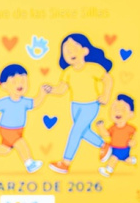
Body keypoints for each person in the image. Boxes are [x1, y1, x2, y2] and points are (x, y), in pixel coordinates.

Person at [48, 33, 113, 174]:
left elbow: (107, 79)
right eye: (66, 51)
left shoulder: (93, 68)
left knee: (76, 131)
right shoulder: (67, 72)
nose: (69, 52)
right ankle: (104, 145)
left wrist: (106, 95)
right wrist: (50, 89)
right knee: (83, 131)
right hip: (75, 106)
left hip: (90, 105)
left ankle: (65, 162)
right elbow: (61, 89)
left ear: (85, 50)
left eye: (73, 48)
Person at [0, 64, 52, 174]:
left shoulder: (24, 102)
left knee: (6, 149)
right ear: (4, 86)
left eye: (23, 81)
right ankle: (29, 163)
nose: (20, 84)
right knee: (20, 144)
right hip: (7, 129)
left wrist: (42, 93)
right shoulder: (5, 102)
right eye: (14, 82)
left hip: (19, 129)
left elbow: (35, 103)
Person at [97, 94, 138, 177]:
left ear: (131, 114)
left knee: (114, 158)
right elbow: (106, 134)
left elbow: (135, 134)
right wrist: (100, 127)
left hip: (124, 148)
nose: (118, 111)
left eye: (123, 109)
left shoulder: (129, 128)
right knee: (126, 159)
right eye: (115, 108)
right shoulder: (113, 128)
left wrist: (133, 141)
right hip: (114, 147)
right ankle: (132, 160)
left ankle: (108, 171)